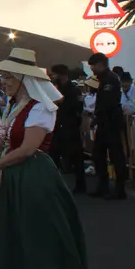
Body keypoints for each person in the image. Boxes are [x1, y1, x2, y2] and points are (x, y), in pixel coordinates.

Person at [0, 48, 90, 269]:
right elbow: (2, 138)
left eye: (8, 77)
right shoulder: (13, 107)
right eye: (2, 77)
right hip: (15, 178)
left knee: (37, 242)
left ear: (22, 79)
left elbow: (28, 149)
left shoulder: (40, 108)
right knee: (20, 241)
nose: (3, 81)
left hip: (33, 177)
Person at [86, 53, 128, 199]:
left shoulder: (110, 79)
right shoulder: (103, 79)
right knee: (98, 154)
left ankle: (119, 189)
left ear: (101, 64)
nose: (92, 69)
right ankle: (103, 186)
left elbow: (107, 103)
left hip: (112, 121)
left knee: (116, 156)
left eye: (93, 66)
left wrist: (96, 116)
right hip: (104, 121)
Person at [48, 64, 86, 193]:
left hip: (70, 127)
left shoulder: (74, 90)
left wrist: (61, 102)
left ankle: (81, 185)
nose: (53, 77)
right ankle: (53, 185)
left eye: (54, 74)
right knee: (53, 157)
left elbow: (77, 107)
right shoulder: (55, 88)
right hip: (57, 126)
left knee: (76, 157)